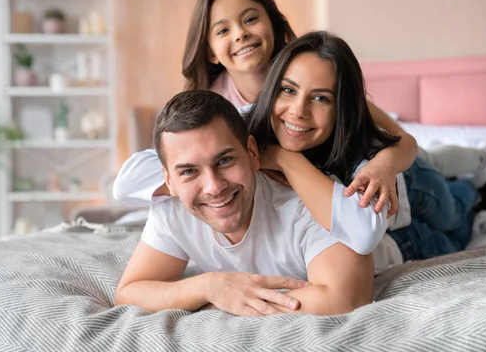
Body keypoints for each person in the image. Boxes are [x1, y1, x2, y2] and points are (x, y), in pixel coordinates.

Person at [113, 0, 419, 217]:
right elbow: (147, 174)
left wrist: (385, 164)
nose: (240, 34)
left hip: (401, 174)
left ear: (273, 24)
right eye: (222, 30)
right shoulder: (211, 108)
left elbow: (402, 139)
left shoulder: (313, 74)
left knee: (441, 175)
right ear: (209, 51)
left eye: (249, 20)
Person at [244, 31, 486, 273]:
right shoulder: (246, 131)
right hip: (387, 219)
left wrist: (385, 164)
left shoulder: (356, 139)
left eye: (321, 98)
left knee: (450, 213)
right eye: (288, 90)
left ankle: (477, 176)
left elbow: (406, 142)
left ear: (341, 108)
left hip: (408, 182)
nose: (298, 111)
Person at [114, 90, 388, 316]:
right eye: (188, 171)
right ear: (168, 180)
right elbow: (129, 293)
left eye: (224, 160)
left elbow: (344, 300)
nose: (213, 187)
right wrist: (209, 287)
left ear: (253, 152)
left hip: (405, 228)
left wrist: (222, 305)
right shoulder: (171, 206)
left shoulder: (307, 204)